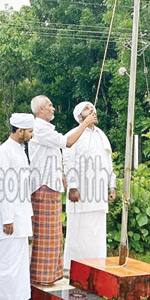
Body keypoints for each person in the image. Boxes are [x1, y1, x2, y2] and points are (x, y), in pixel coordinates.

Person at [28, 95, 97, 286]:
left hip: (52, 183)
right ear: (41, 109)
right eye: (50, 105)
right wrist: (84, 125)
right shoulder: (40, 128)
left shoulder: (45, 128)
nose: (53, 109)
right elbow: (67, 142)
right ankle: (40, 276)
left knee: (55, 233)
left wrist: (62, 174)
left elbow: (51, 155)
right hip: (43, 186)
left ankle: (51, 274)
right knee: (45, 234)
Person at [0, 113, 34, 300]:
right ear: (20, 130)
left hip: (21, 215)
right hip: (9, 217)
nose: (32, 135)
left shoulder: (20, 151)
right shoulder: (4, 151)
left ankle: (13, 298)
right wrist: (7, 218)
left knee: (18, 259)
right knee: (3, 260)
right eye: (30, 131)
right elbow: (1, 187)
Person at [63, 101, 116, 268]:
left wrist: (111, 185)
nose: (92, 109)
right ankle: (73, 268)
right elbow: (68, 162)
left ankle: (98, 267)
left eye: (92, 107)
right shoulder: (72, 135)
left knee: (97, 234)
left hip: (99, 196)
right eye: (86, 109)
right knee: (79, 233)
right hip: (80, 194)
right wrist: (72, 187)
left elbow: (108, 163)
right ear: (80, 117)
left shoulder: (102, 136)